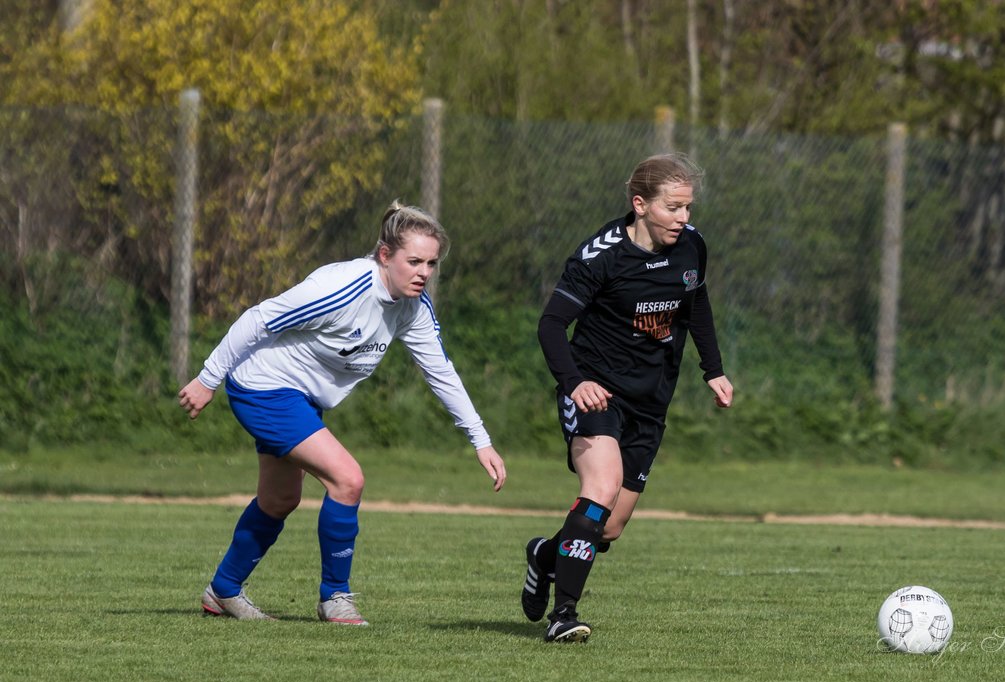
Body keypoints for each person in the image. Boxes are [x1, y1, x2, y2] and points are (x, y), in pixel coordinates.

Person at [178, 201, 506, 626]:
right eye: (414, 261)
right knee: (347, 480)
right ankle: (334, 598)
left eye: (431, 263)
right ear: (385, 256)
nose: (424, 272)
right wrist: (208, 378)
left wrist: (480, 439)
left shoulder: (412, 307)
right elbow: (259, 319)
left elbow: (440, 371)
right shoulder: (341, 287)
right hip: (264, 388)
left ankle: (222, 591)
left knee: (279, 500)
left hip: (300, 400)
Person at [522, 153, 733, 642]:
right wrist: (576, 382)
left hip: (650, 400)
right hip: (596, 390)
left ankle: (544, 556)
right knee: (601, 487)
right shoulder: (600, 257)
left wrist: (713, 370)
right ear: (641, 204)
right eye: (674, 207)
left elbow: (696, 304)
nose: (684, 218)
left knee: (609, 528)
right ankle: (564, 615)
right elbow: (551, 325)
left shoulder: (692, 247)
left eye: (688, 208)